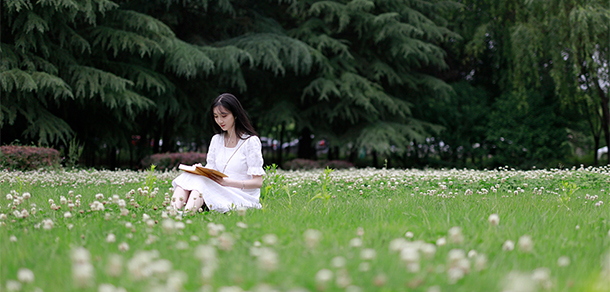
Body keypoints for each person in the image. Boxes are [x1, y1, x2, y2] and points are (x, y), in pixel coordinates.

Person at [170, 93, 265, 213]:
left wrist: (227, 182)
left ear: (235, 114)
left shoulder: (250, 142)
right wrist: (200, 170)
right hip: (219, 188)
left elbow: (258, 182)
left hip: (241, 195)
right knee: (190, 176)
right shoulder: (216, 140)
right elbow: (211, 171)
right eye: (216, 116)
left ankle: (186, 214)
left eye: (224, 116)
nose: (220, 121)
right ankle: (173, 211)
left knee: (200, 182)